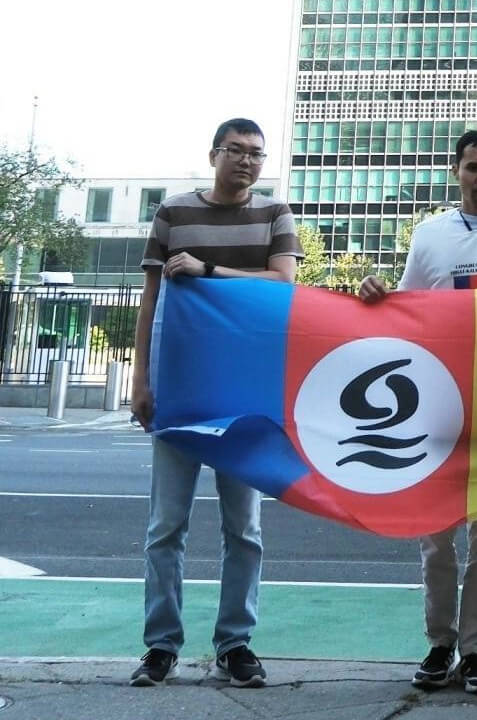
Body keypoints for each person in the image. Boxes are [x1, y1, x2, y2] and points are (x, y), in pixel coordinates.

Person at [358, 130, 477, 695]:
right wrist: (377, 296)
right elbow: (404, 309)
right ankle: (440, 643)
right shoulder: (429, 235)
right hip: (436, 404)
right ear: (456, 171)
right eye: (473, 167)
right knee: (436, 537)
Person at [129, 118, 302, 688]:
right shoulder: (174, 214)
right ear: (214, 154)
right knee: (165, 527)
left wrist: (208, 272)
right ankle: (161, 646)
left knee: (244, 528)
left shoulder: (275, 214)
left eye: (257, 153)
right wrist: (141, 380)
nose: (248, 161)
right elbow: (150, 301)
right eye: (237, 151)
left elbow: (282, 284)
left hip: (246, 394)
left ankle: (236, 643)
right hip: (179, 389)